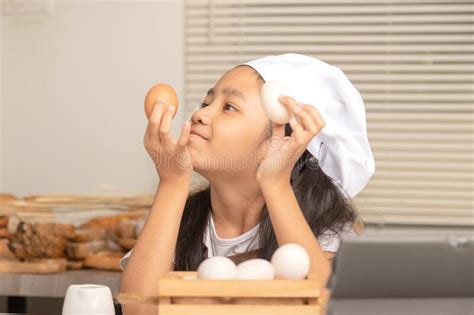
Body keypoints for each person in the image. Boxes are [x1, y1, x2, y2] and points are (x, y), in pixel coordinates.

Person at [119, 53, 375, 315]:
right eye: (206, 102)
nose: (201, 114)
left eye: (229, 107)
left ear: (284, 139)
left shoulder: (324, 228)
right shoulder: (181, 219)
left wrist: (276, 185)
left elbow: (325, 306)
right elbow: (139, 309)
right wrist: (172, 184)